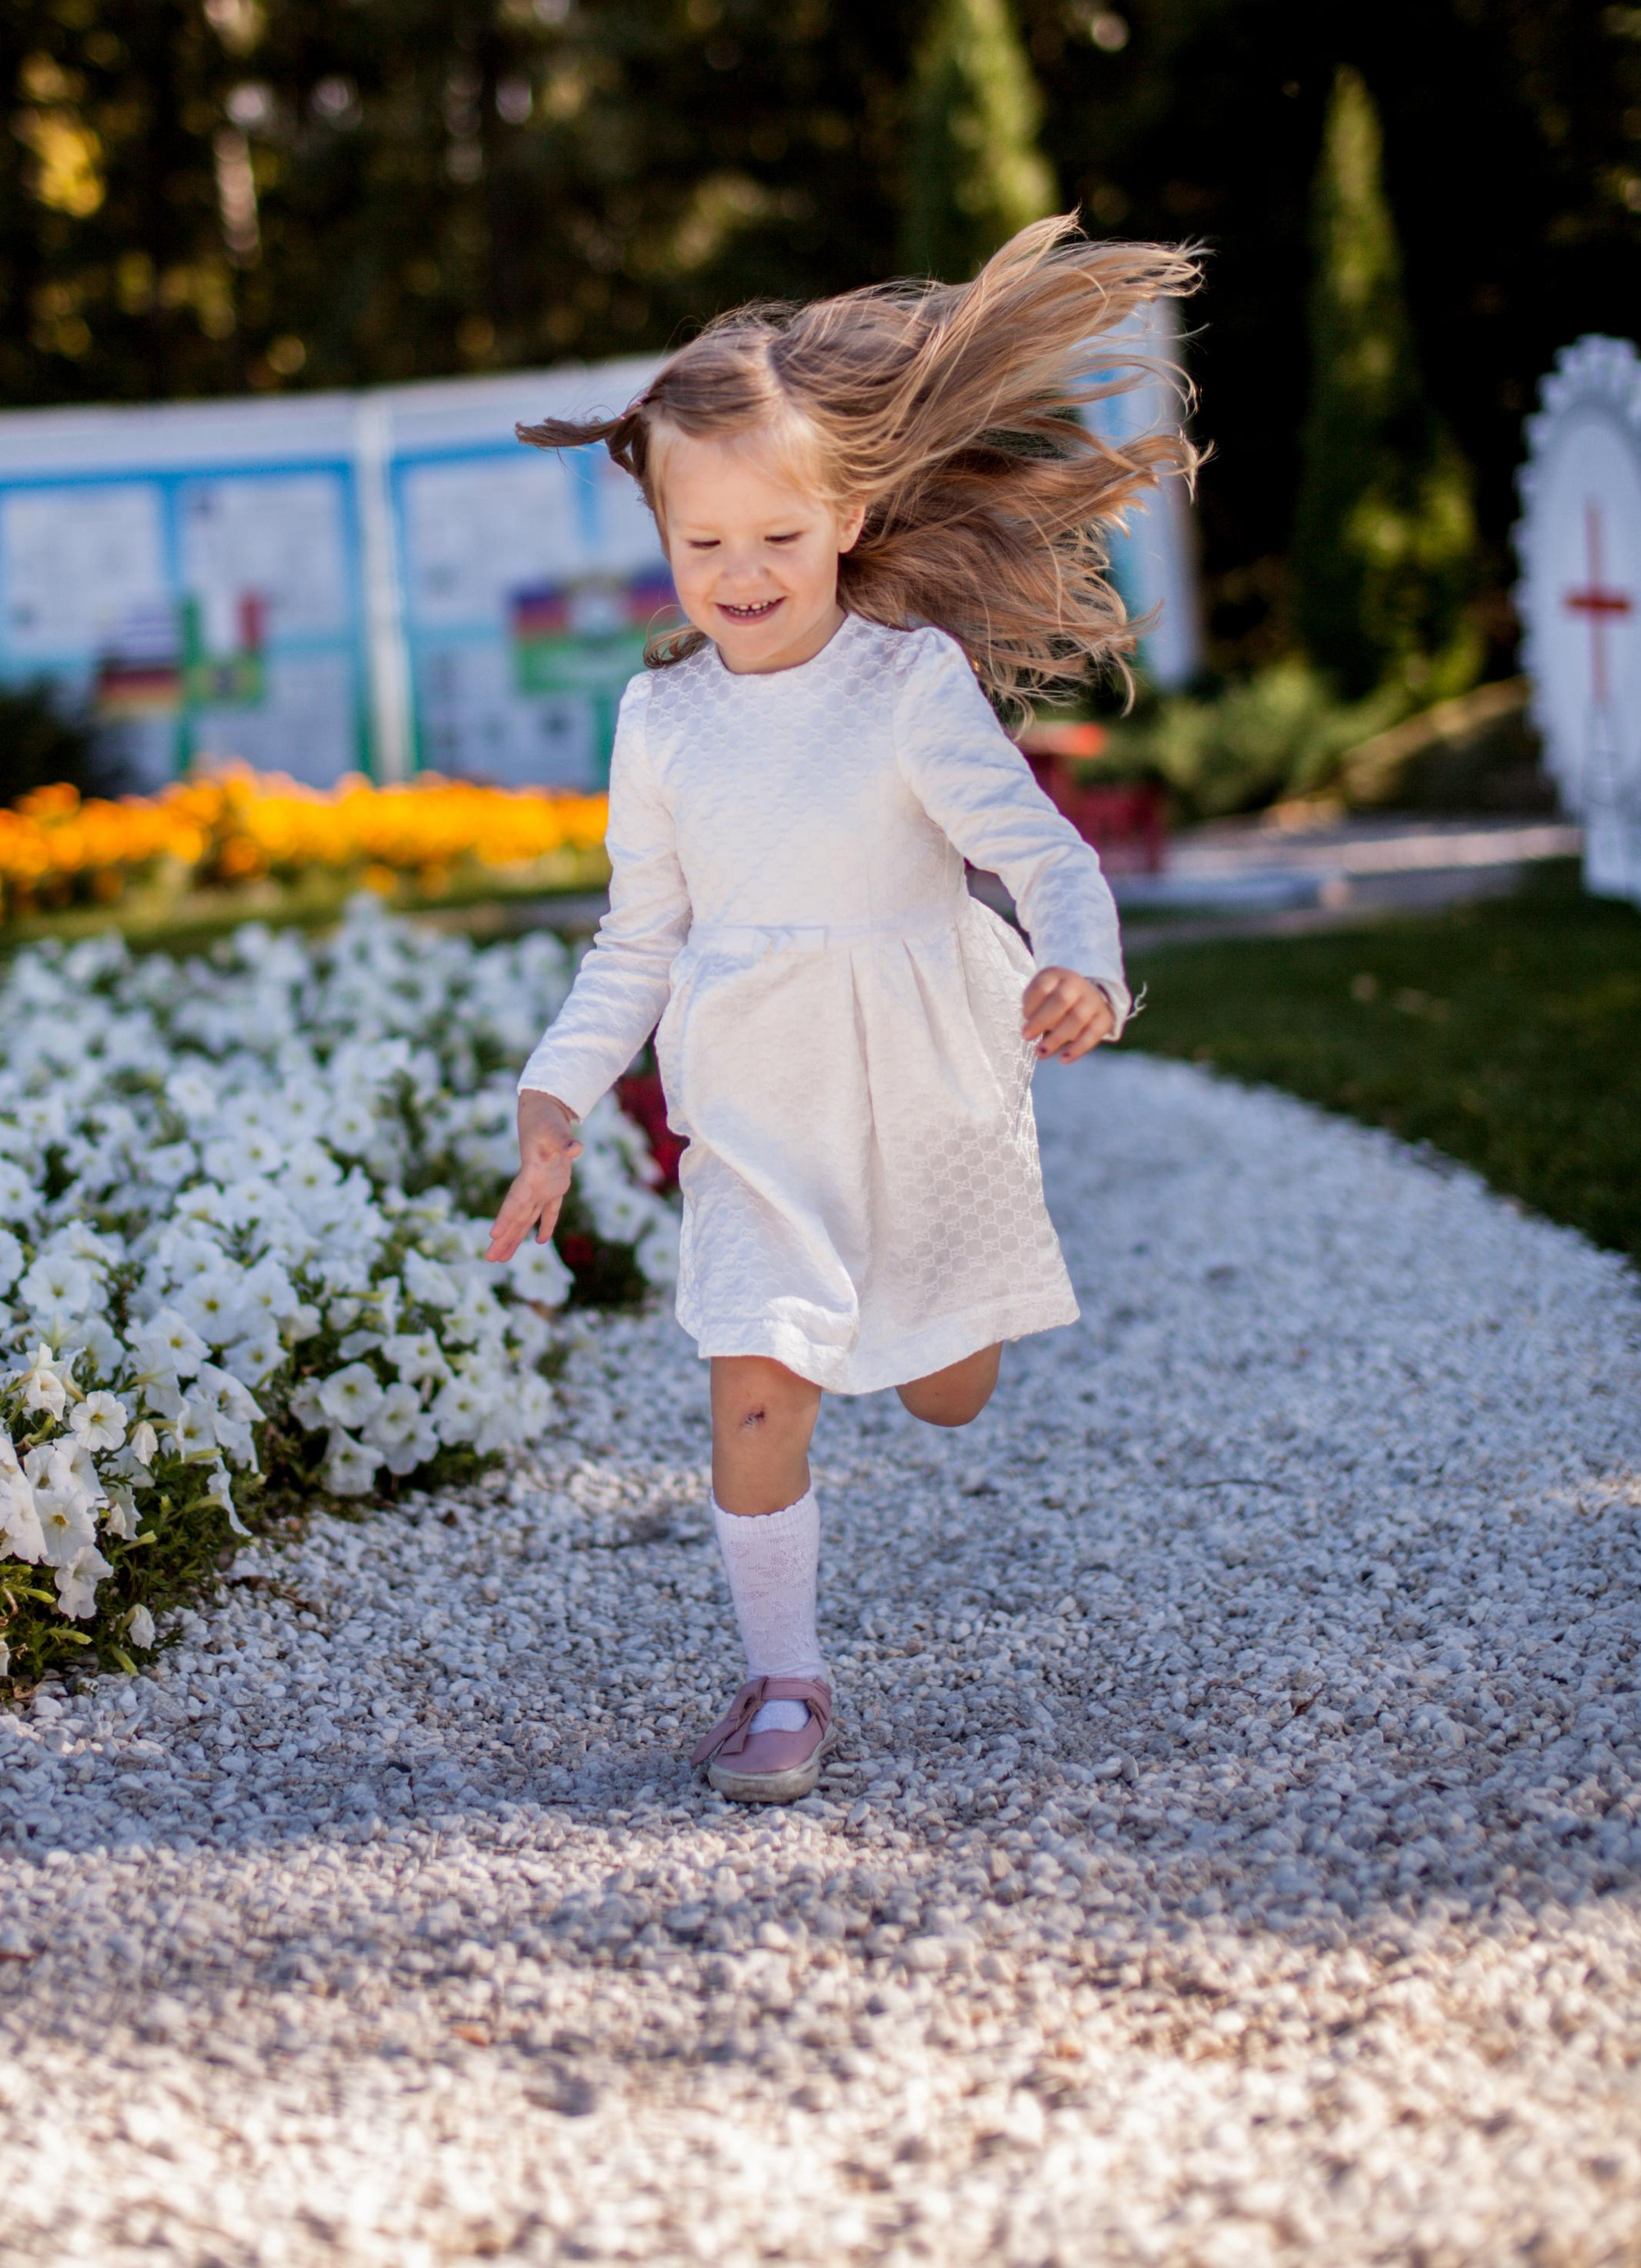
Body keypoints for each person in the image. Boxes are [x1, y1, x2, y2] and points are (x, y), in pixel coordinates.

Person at [487, 217, 1200, 1803]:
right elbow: (637, 936)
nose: (740, 576)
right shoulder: (659, 720)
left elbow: (1039, 851)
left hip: (924, 1081)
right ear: (665, 535)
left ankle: (948, 1333)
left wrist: (1084, 964)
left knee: (944, 1384)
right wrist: (556, 1095)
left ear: (846, 514)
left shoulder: (907, 684)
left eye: (778, 541)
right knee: (755, 1379)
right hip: (754, 1099)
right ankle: (783, 1680)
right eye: (703, 544)